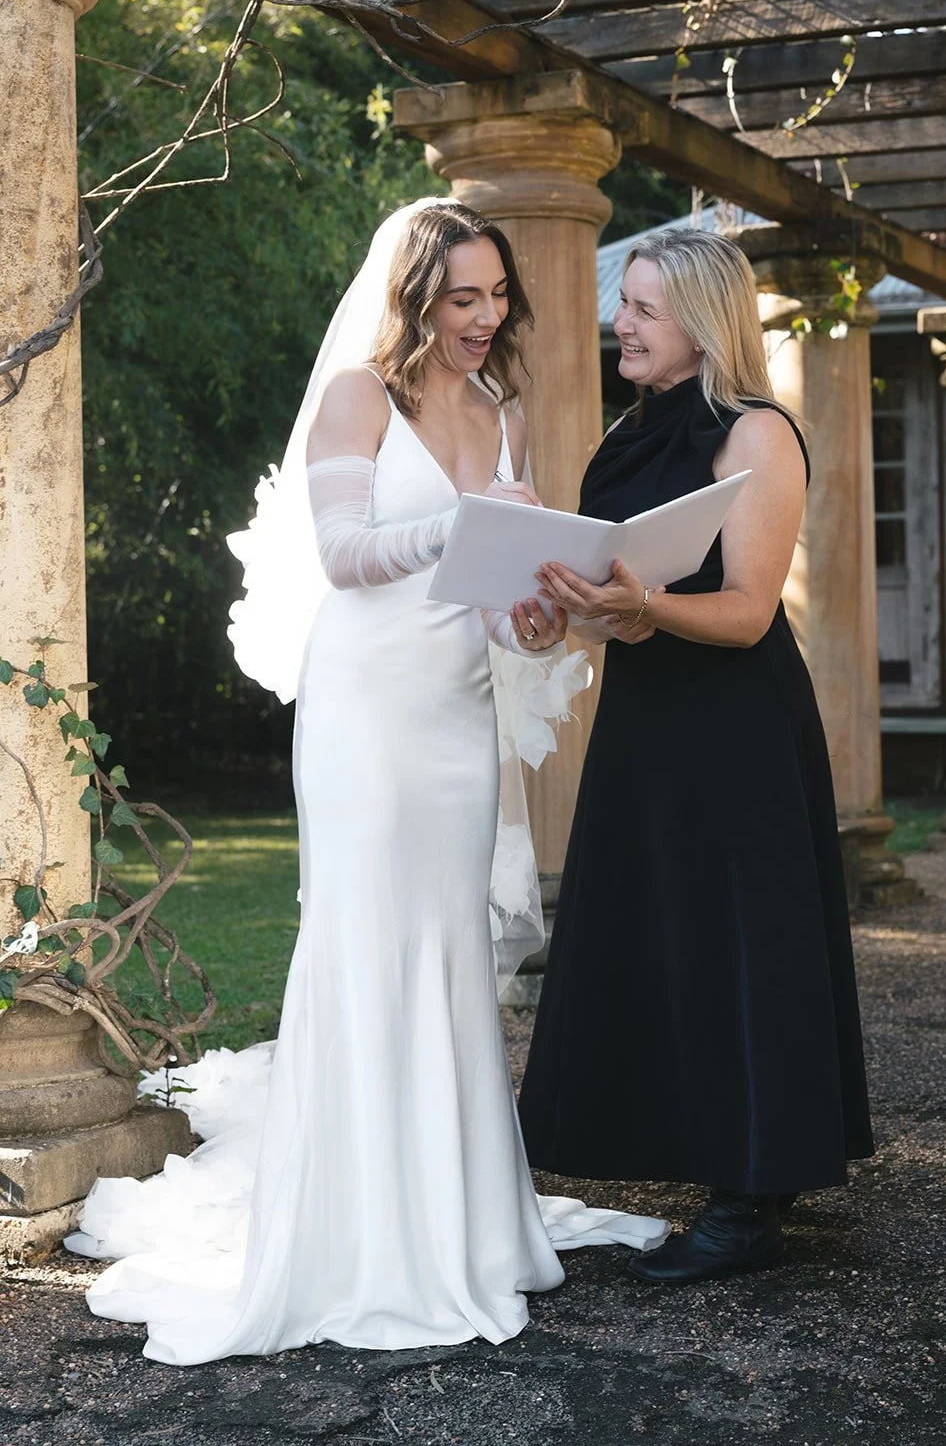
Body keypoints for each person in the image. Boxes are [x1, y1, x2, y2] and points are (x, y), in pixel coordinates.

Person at [66, 199, 664, 1363]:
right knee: (361, 937)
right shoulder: (358, 399)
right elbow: (345, 559)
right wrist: (467, 529)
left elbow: (500, 603)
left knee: (444, 945)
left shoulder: (504, 412)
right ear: (414, 302)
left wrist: (542, 605)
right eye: (462, 298)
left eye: (496, 295)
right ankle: (354, 1233)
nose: (486, 318)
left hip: (453, 712)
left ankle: (456, 1220)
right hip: (362, 711)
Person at [519, 227, 874, 1284]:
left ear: (703, 326)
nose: (617, 323)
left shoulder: (757, 434)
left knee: (740, 943)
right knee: (657, 931)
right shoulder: (627, 435)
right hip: (647, 721)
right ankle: (683, 1148)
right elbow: (625, 613)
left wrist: (641, 603)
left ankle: (749, 1197)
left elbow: (748, 610)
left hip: (736, 726)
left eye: (641, 310)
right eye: (621, 303)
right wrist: (579, 610)